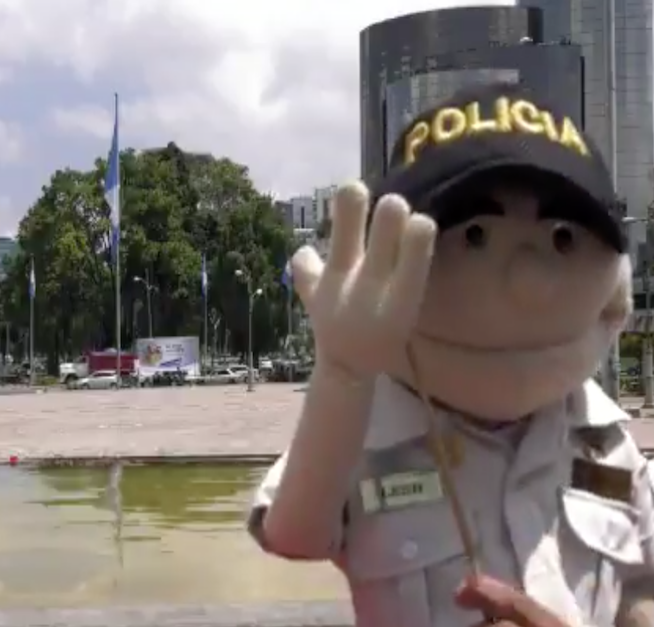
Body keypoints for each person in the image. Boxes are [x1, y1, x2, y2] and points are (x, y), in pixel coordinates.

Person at [248, 82, 654, 627]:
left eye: (562, 238)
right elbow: (292, 534)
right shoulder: (366, 435)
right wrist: (342, 376)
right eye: (476, 235)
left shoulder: (608, 448)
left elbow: (641, 591)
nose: (528, 277)